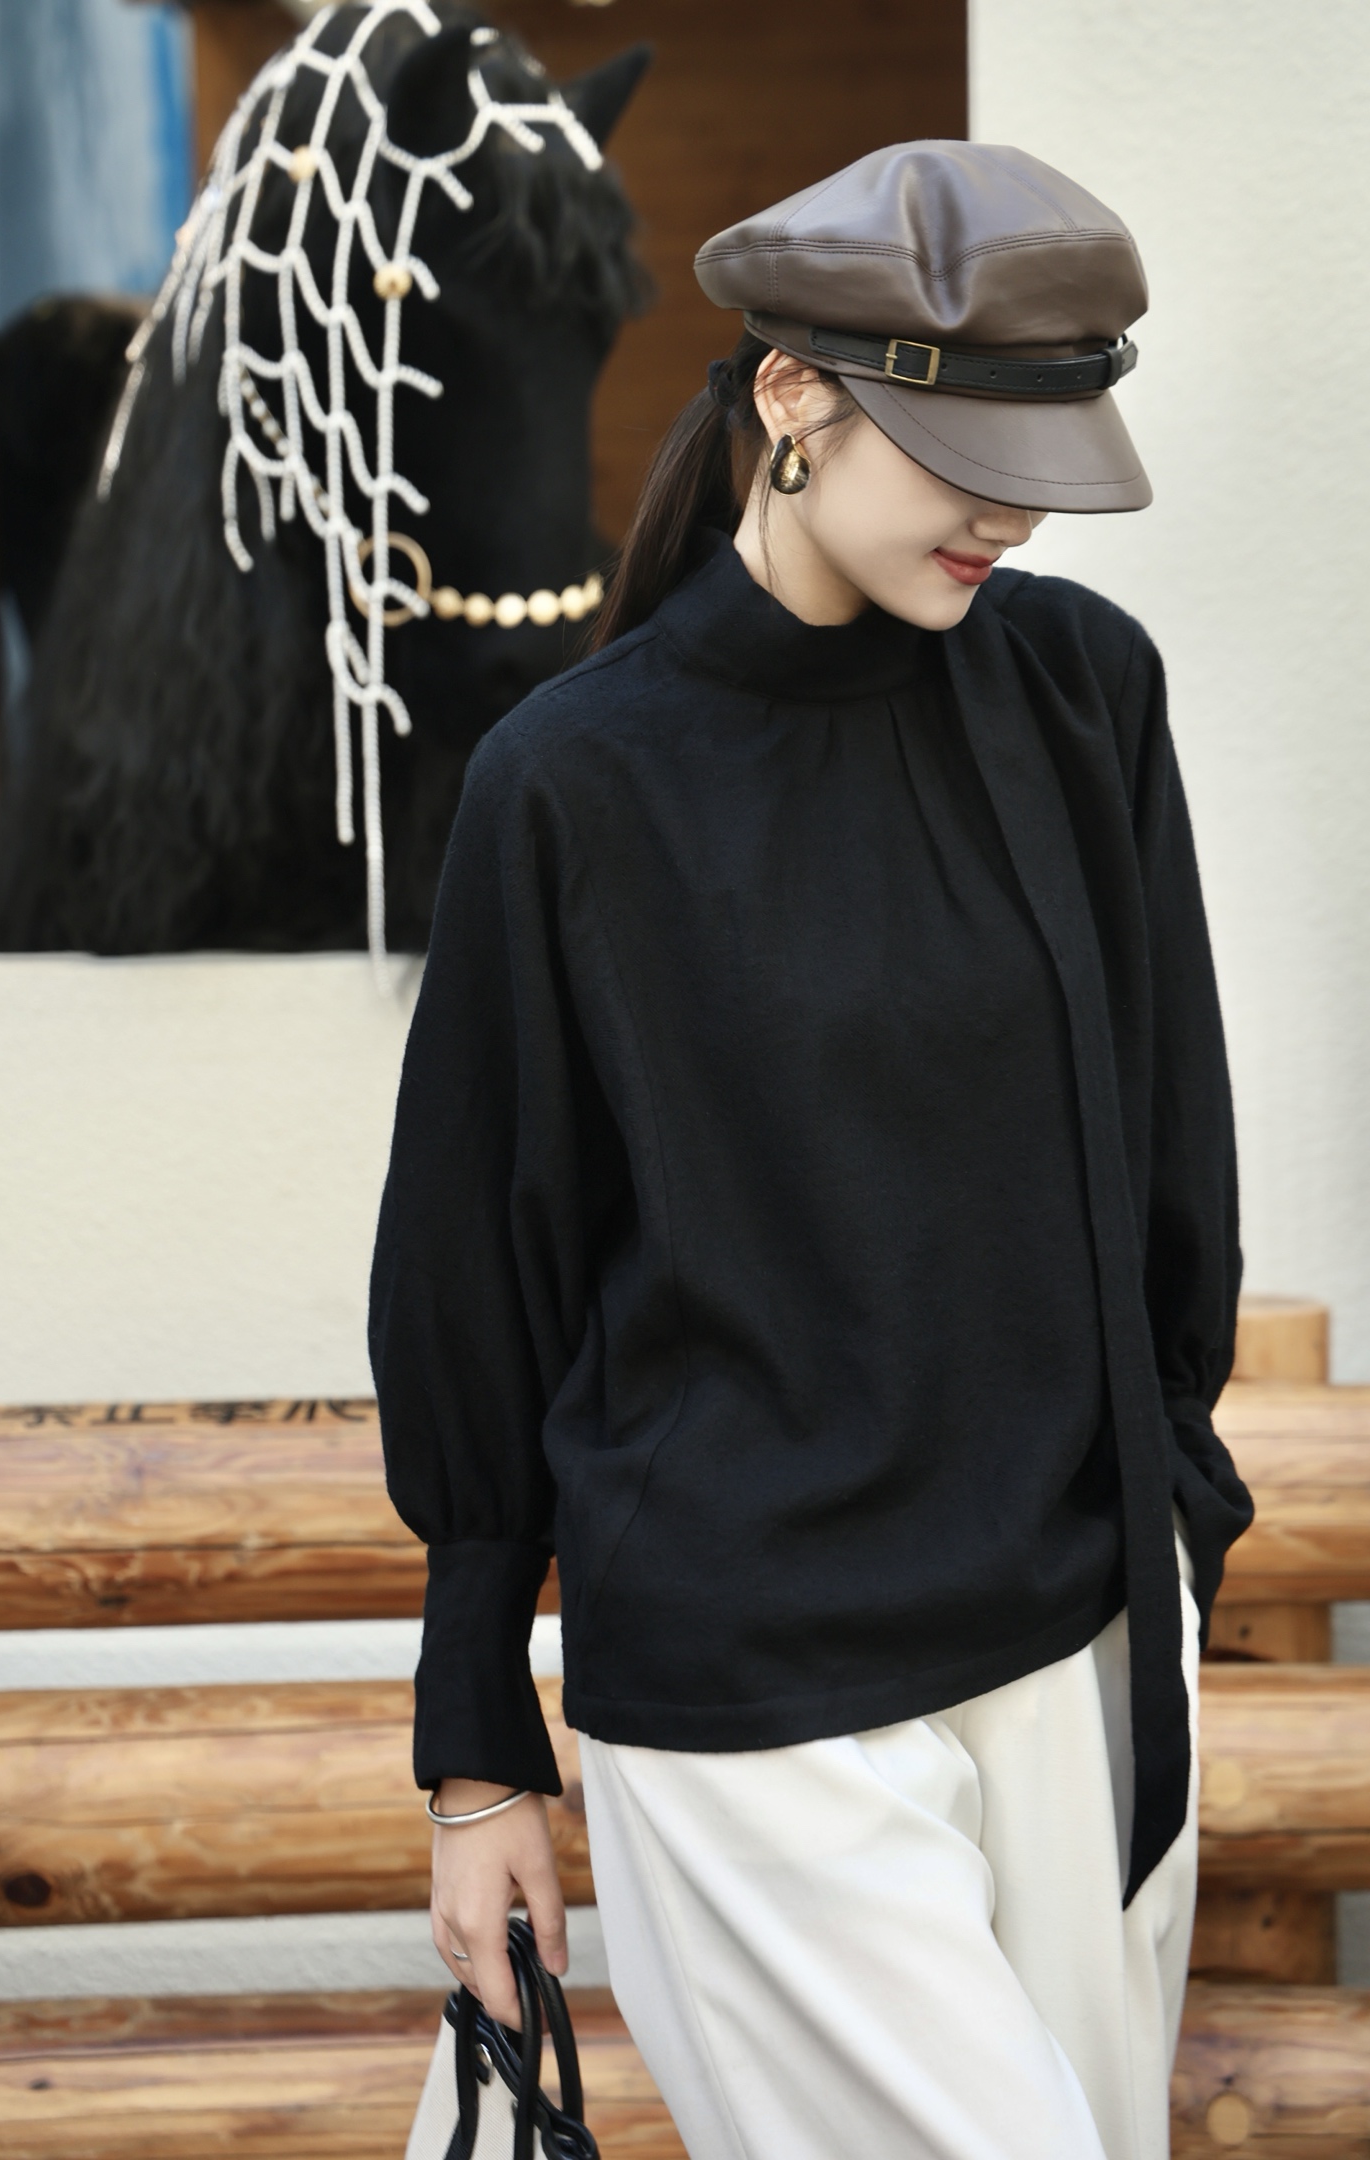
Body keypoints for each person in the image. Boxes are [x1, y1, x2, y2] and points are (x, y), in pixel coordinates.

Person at [369, 139, 1253, 2160]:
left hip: (1084, 1655)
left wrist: (1172, 1535)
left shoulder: (1084, 695)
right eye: (969, 454)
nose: (1013, 510)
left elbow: (1171, 1155)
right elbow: (477, 1273)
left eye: (1046, 455)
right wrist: (478, 1755)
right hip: (755, 1695)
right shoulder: (574, 783)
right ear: (793, 394)